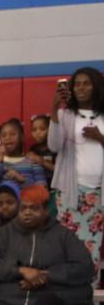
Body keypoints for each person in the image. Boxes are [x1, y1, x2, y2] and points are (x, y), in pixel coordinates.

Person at [48, 67, 104, 273]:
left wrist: (100, 139)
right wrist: (54, 110)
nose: (81, 88)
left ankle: (88, 299)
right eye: (77, 84)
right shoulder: (65, 115)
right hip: (71, 192)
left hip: (99, 195)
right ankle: (66, 297)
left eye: (86, 83)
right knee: (67, 247)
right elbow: (54, 146)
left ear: (96, 86)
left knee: (92, 249)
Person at [0, 118, 47, 193]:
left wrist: (22, 180)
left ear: (22, 137)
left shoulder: (33, 160)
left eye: (13, 134)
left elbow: (43, 191)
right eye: (3, 135)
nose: (8, 138)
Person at [28, 114, 57, 180]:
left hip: (53, 186)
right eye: (34, 130)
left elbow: (60, 171)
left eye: (42, 129)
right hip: (39, 185)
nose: (38, 133)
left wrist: (42, 161)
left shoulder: (55, 148)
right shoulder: (33, 148)